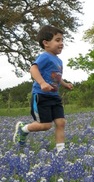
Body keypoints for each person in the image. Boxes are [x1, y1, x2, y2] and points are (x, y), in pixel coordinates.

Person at [13, 24, 74, 152]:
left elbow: (56, 76)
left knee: (61, 122)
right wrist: (42, 83)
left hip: (54, 96)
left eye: (62, 40)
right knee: (45, 125)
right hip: (41, 95)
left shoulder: (59, 61)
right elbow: (33, 68)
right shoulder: (45, 56)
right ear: (46, 43)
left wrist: (64, 84)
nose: (61, 43)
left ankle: (61, 151)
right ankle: (23, 129)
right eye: (57, 40)